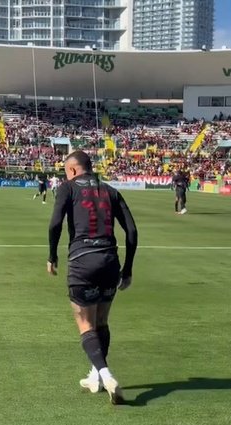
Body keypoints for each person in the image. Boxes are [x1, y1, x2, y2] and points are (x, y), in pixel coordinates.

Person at [48, 150, 139, 405]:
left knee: (86, 325)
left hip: (82, 262)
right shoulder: (110, 190)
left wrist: (51, 255)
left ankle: (106, 375)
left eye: (66, 171)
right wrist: (128, 268)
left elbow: (55, 223)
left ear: (73, 170)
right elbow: (131, 231)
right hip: (110, 261)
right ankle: (95, 376)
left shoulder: (68, 188)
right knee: (102, 321)